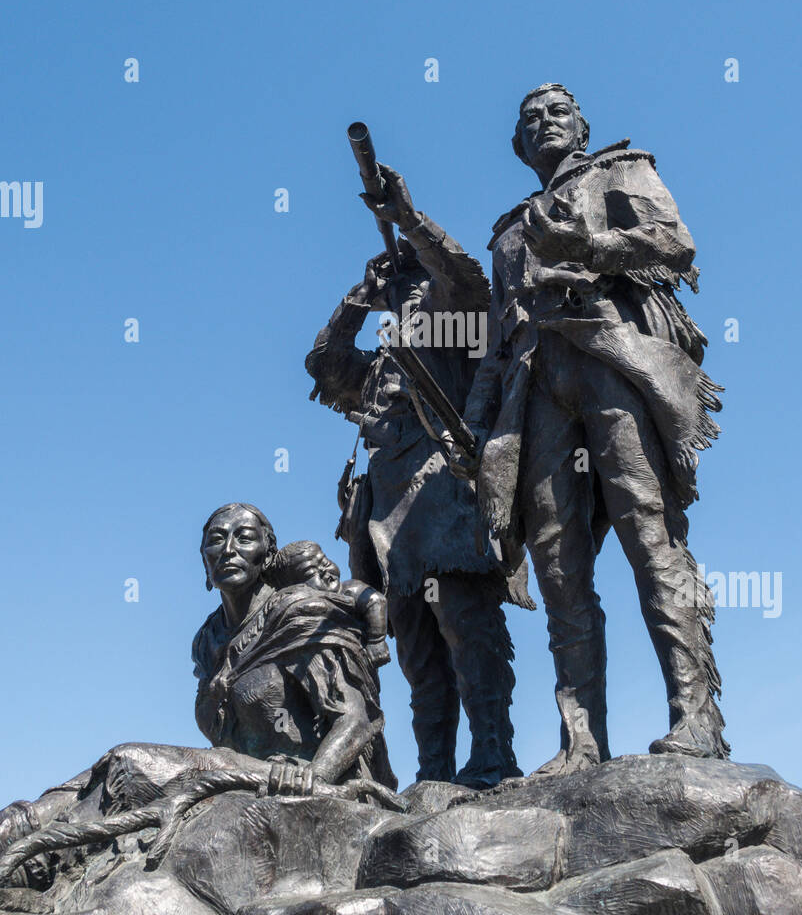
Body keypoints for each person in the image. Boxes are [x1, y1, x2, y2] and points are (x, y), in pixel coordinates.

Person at [454, 84, 728, 771]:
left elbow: (676, 245)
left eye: (557, 112)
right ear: (518, 147)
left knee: (649, 537)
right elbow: (498, 337)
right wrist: (477, 421)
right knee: (559, 568)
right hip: (537, 388)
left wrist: (595, 244)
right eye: (529, 120)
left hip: (610, 360)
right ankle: (582, 743)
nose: (544, 122)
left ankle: (696, 721)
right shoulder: (509, 231)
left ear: (580, 124)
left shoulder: (619, 168)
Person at [306, 165, 529, 789]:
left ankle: (492, 755)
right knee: (416, 652)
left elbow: (464, 276)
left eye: (415, 284)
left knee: (468, 626)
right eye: (399, 290)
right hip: (386, 521)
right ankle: (434, 770)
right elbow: (324, 366)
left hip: (445, 496)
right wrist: (358, 296)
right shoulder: (377, 364)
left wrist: (410, 224)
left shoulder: (455, 326)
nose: (408, 295)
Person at [193, 503, 396, 791]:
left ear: (266, 556)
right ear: (204, 560)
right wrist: (214, 694)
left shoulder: (300, 612)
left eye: (244, 538)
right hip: (244, 780)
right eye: (216, 540)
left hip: (317, 788)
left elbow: (356, 721)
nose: (228, 549)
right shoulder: (208, 640)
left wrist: (316, 776)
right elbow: (213, 729)